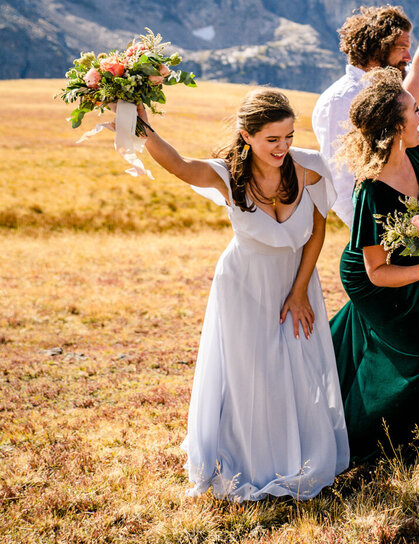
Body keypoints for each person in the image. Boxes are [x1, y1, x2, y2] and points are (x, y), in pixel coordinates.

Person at [136, 90, 348, 500]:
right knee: (252, 373)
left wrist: (300, 291)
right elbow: (179, 165)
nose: (283, 147)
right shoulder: (227, 174)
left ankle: (298, 459)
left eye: (288, 136)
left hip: (297, 284)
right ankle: (250, 462)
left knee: (299, 367)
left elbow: (318, 231)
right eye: (272, 139)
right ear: (247, 136)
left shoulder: (310, 169)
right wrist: (139, 124)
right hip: (243, 286)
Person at [327, 69, 419, 462]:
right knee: (410, 359)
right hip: (379, 279)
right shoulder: (371, 189)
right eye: (415, 110)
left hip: (415, 267)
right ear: (398, 125)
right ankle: (372, 443)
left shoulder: (413, 160)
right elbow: (375, 271)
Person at [313, 0, 419, 226]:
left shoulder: (393, 92)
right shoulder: (340, 99)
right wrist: (374, 238)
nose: (408, 57)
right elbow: (341, 181)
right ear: (378, 47)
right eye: (402, 48)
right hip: (374, 237)